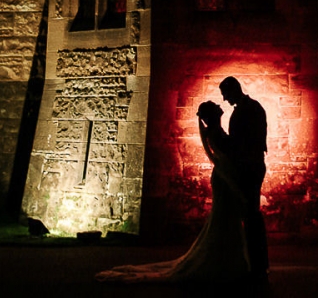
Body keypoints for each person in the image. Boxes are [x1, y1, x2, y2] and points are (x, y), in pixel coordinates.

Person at [95, 100, 251, 283]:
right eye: (215, 107)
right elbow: (227, 155)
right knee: (224, 217)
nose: (220, 106)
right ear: (213, 115)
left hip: (222, 176)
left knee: (224, 217)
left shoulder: (214, 132)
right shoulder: (215, 133)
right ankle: (225, 261)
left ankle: (227, 259)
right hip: (224, 178)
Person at [220, 76, 268, 283]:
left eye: (225, 94)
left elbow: (242, 144)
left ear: (233, 90)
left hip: (250, 167)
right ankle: (257, 264)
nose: (224, 99)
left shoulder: (248, 110)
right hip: (252, 165)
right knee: (251, 215)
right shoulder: (252, 108)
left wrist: (219, 136)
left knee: (251, 215)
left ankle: (257, 266)